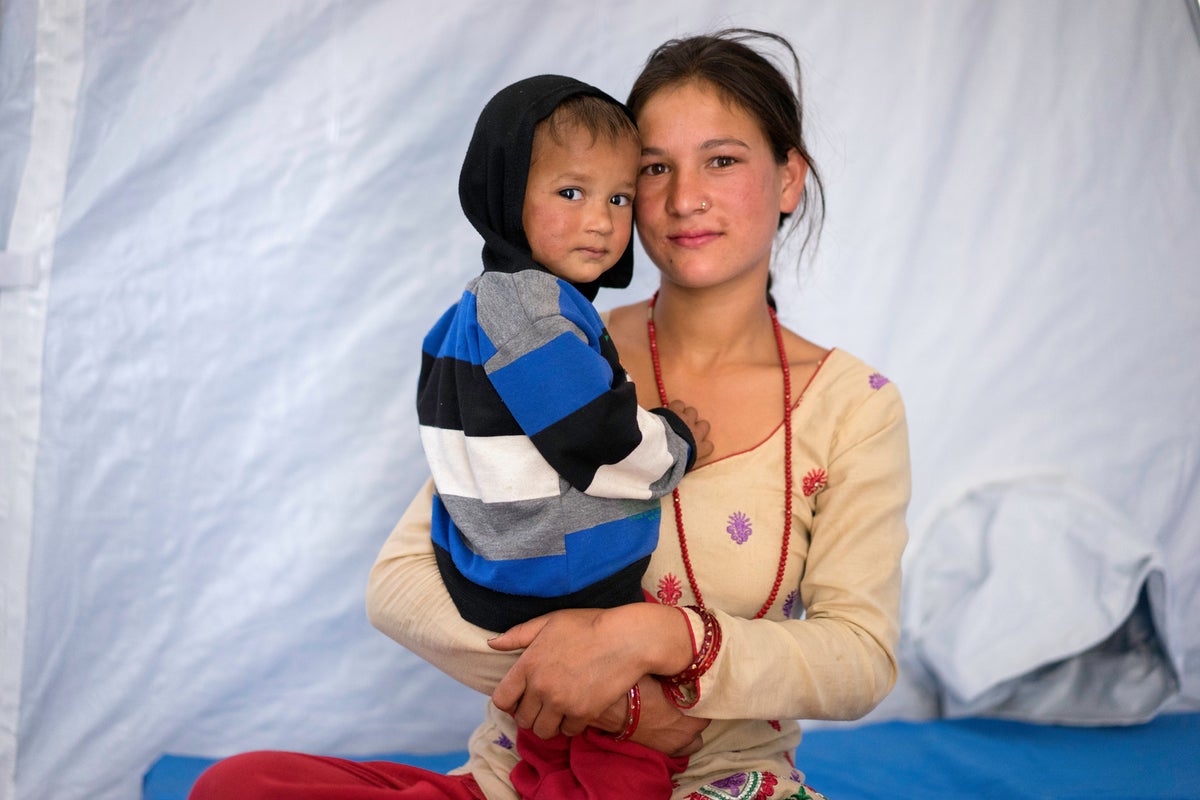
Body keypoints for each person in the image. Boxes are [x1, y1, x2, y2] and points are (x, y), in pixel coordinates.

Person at [190, 27, 910, 800]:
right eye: (654, 169)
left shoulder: (851, 405)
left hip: (722, 784)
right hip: (521, 777)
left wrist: (662, 639)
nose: (683, 198)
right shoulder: (552, 350)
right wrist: (622, 705)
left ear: (789, 178)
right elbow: (400, 583)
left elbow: (859, 656)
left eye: (722, 160)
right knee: (238, 786)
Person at [417, 73, 710, 797]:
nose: (603, 222)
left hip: (502, 566)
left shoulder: (496, 302)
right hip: (559, 575)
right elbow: (596, 440)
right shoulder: (529, 307)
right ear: (506, 191)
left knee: (555, 748)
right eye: (570, 193)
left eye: (617, 198)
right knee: (631, 757)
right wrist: (677, 440)